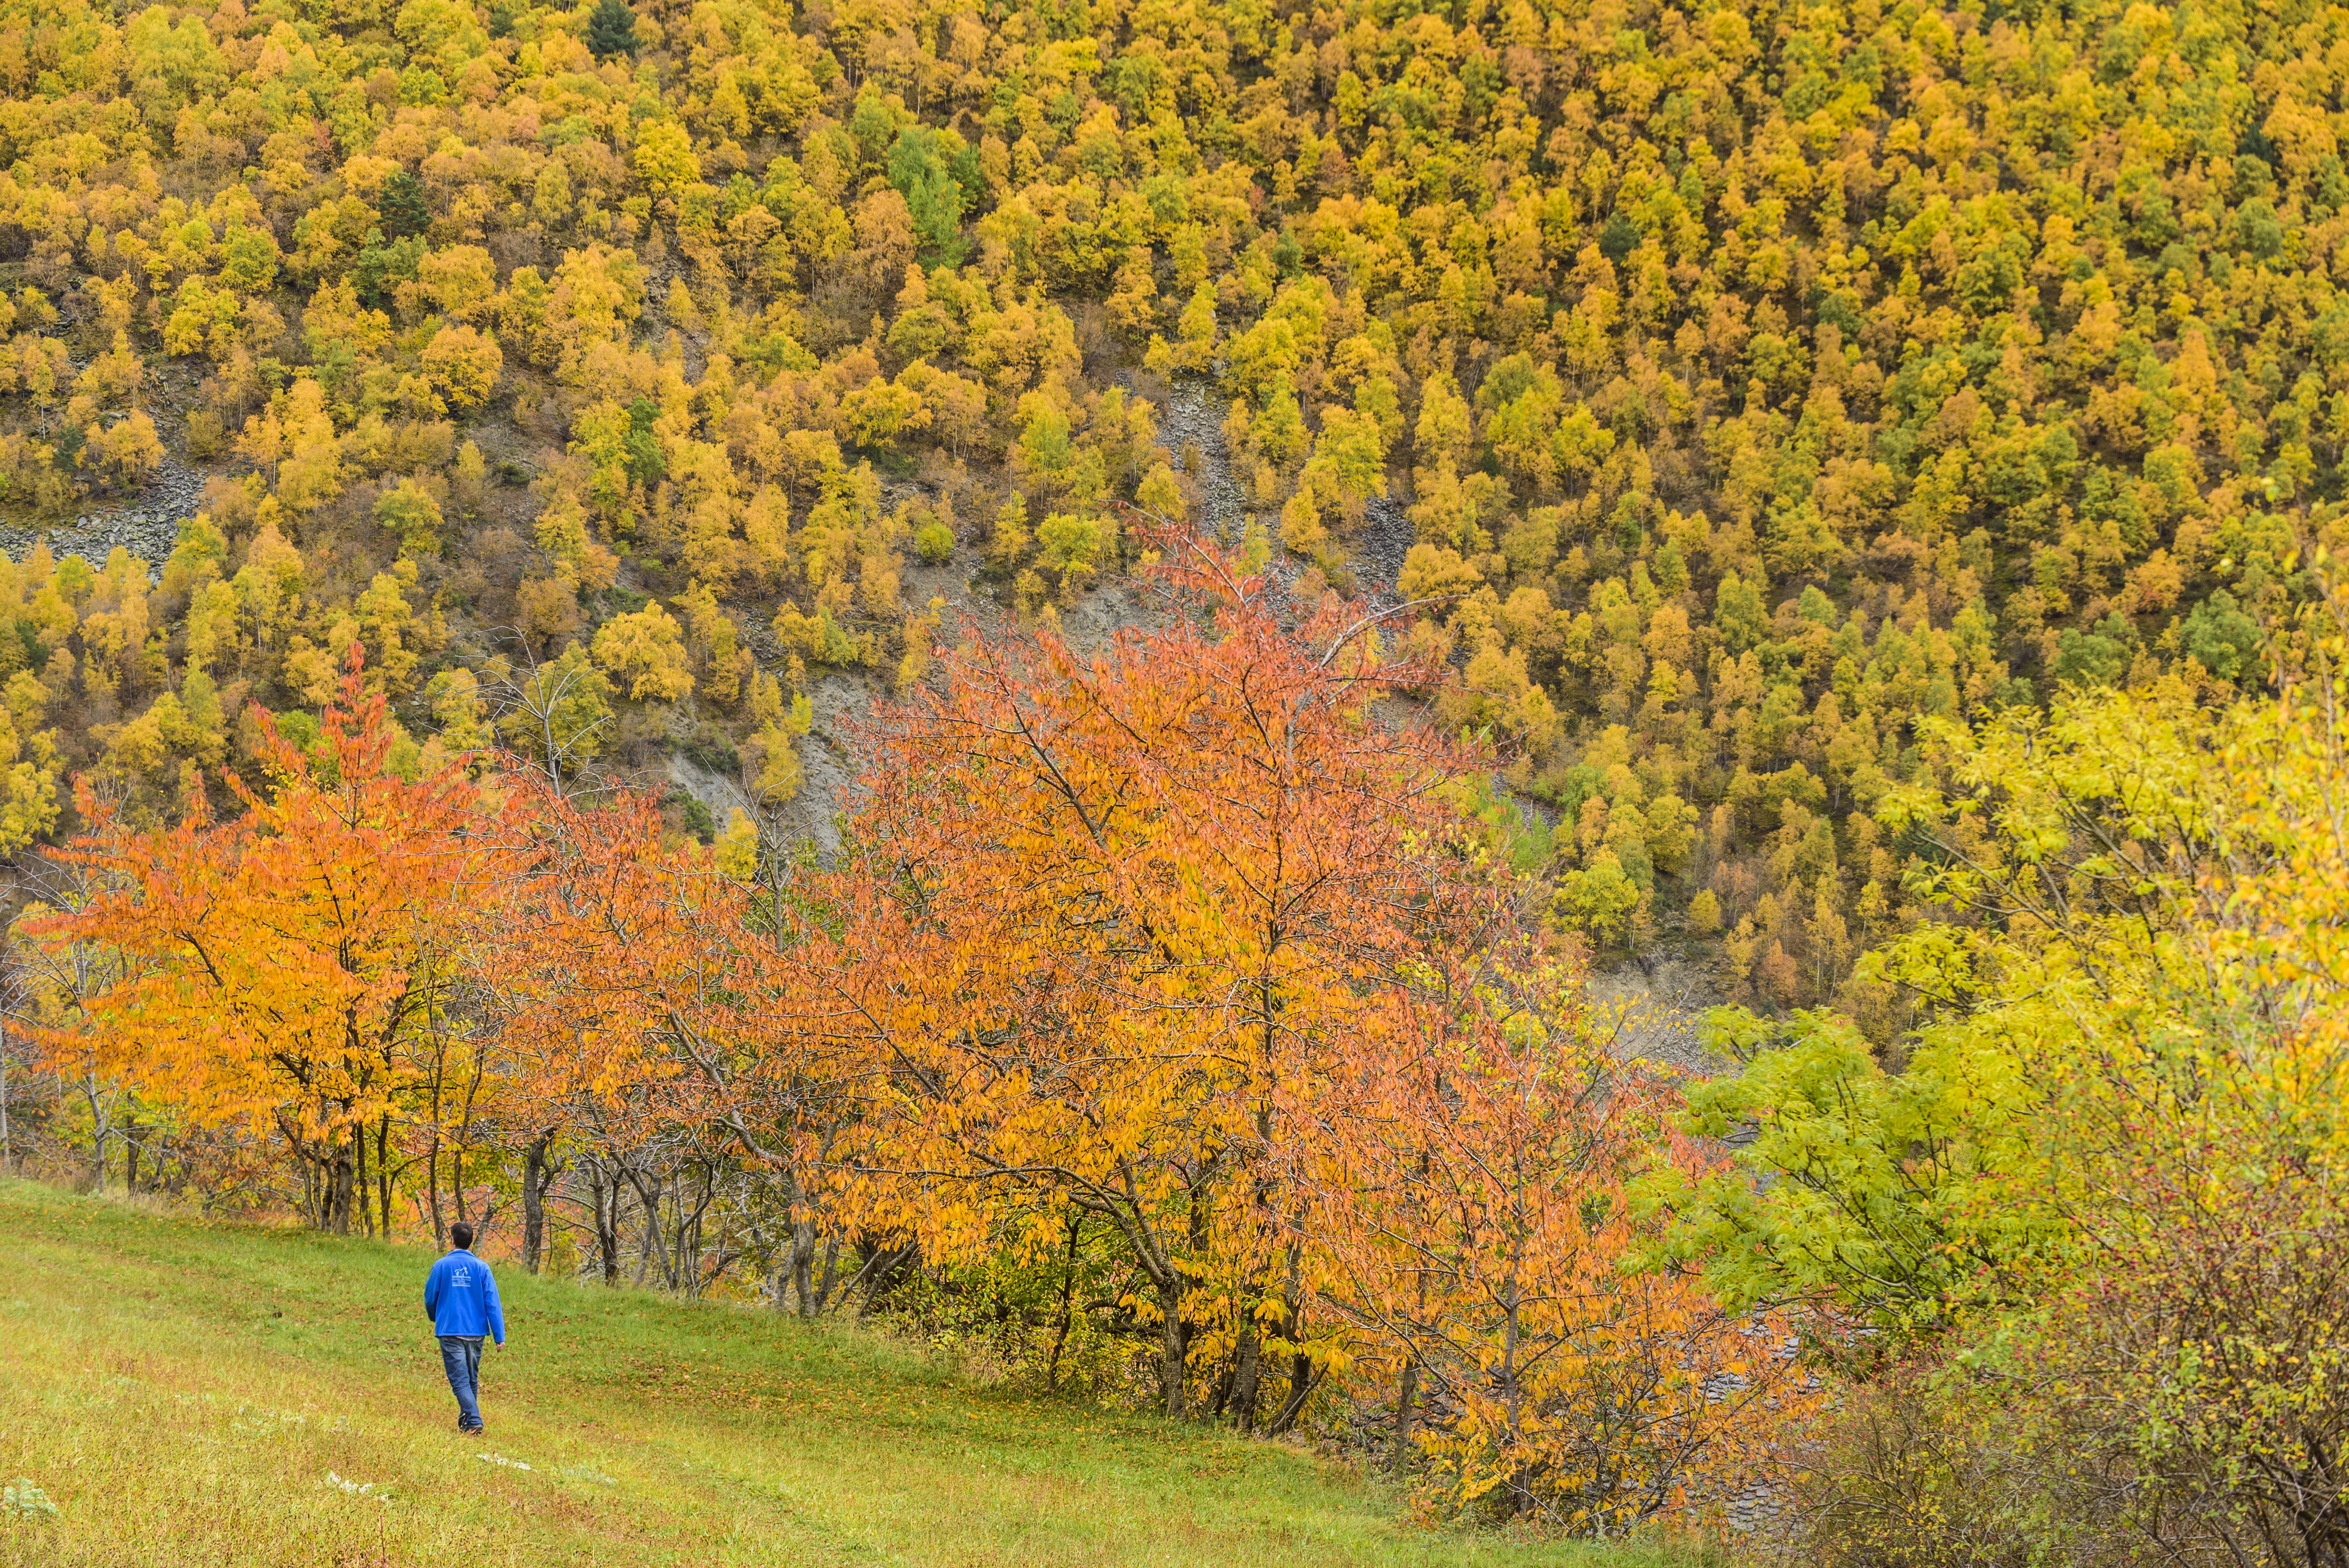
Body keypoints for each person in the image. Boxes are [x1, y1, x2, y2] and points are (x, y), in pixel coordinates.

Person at [423, 1221, 505, 1434]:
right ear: (471, 1243)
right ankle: (467, 1425)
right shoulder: (482, 1268)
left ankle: (475, 1421)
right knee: (470, 1379)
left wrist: (435, 1318)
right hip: (477, 1333)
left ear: (452, 1240)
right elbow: (493, 1303)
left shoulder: (441, 1266)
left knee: (460, 1381)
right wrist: (499, 1336)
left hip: (450, 1330)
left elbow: (430, 1298)